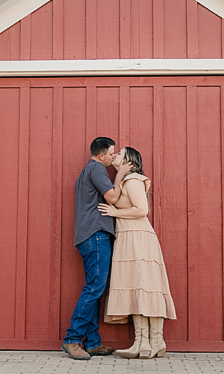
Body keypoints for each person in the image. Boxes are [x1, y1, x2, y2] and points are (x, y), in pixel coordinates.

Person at [98, 147, 176, 359]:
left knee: (145, 286)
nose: (115, 155)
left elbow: (142, 210)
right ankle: (145, 342)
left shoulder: (132, 180)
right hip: (128, 236)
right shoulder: (125, 179)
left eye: (120, 153)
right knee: (137, 286)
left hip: (137, 236)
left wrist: (115, 212)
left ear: (129, 160)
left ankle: (154, 341)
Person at [62, 137, 132, 360]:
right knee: (94, 288)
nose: (113, 157)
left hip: (90, 236)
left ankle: (92, 342)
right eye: (111, 154)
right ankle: (72, 339)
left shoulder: (87, 171)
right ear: (102, 155)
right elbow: (112, 197)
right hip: (96, 235)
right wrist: (120, 175)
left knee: (95, 287)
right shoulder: (97, 169)